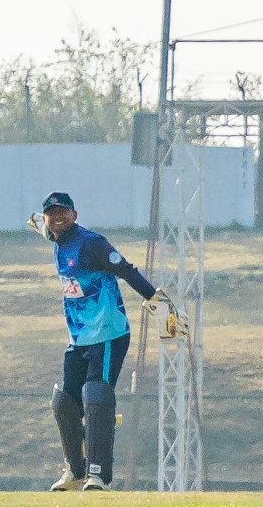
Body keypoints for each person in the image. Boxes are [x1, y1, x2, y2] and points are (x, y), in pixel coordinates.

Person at [37, 189, 173, 491]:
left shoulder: (92, 245)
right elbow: (43, 226)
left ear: (75, 215)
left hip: (109, 332)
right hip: (80, 336)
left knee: (95, 394)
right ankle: (75, 471)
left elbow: (127, 270)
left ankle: (98, 474)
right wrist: (38, 222)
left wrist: (164, 311)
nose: (57, 218)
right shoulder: (55, 236)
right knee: (65, 402)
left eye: (63, 212)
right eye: (51, 213)